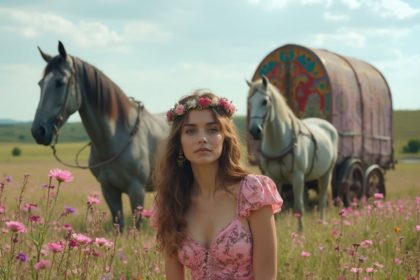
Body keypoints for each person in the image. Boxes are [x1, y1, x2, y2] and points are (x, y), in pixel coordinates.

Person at [152, 90, 283, 280]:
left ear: (225, 137)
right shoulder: (171, 202)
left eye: (213, 129)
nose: (202, 138)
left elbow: (267, 277)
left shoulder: (252, 193)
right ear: (179, 142)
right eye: (191, 130)